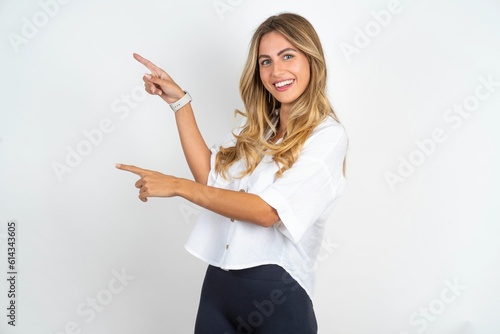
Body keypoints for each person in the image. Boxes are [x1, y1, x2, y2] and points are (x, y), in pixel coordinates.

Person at [116, 12, 347, 334]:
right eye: (265, 61)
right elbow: (210, 182)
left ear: (312, 60)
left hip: (279, 297)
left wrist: (177, 186)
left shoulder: (327, 136)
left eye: (288, 56)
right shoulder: (256, 131)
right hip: (219, 288)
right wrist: (180, 103)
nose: (276, 71)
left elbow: (267, 212)